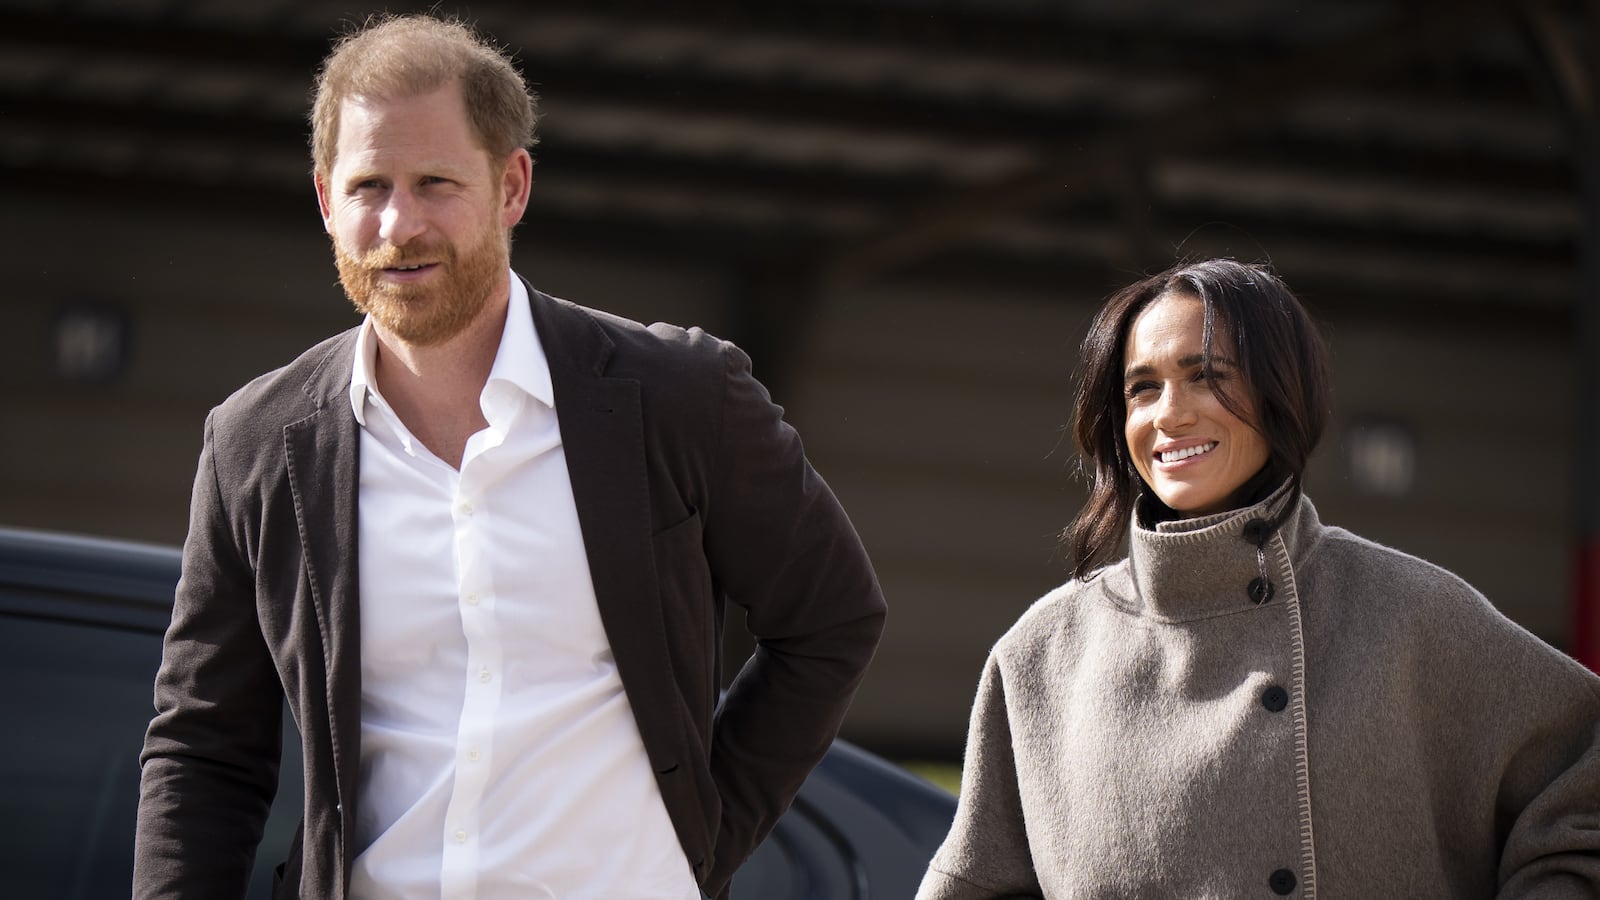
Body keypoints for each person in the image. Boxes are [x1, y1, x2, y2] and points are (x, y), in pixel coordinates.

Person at [132, 14, 885, 900]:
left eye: (436, 183)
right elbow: (204, 746)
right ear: (327, 200)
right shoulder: (256, 444)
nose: (398, 224)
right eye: (368, 185)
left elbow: (833, 616)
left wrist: (697, 844)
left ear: (511, 185)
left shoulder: (678, 396)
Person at [917, 259, 1600, 898]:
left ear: (1282, 393)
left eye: (1207, 375)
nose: (1170, 413)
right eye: (1142, 387)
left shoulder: (1412, 613)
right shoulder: (1040, 656)